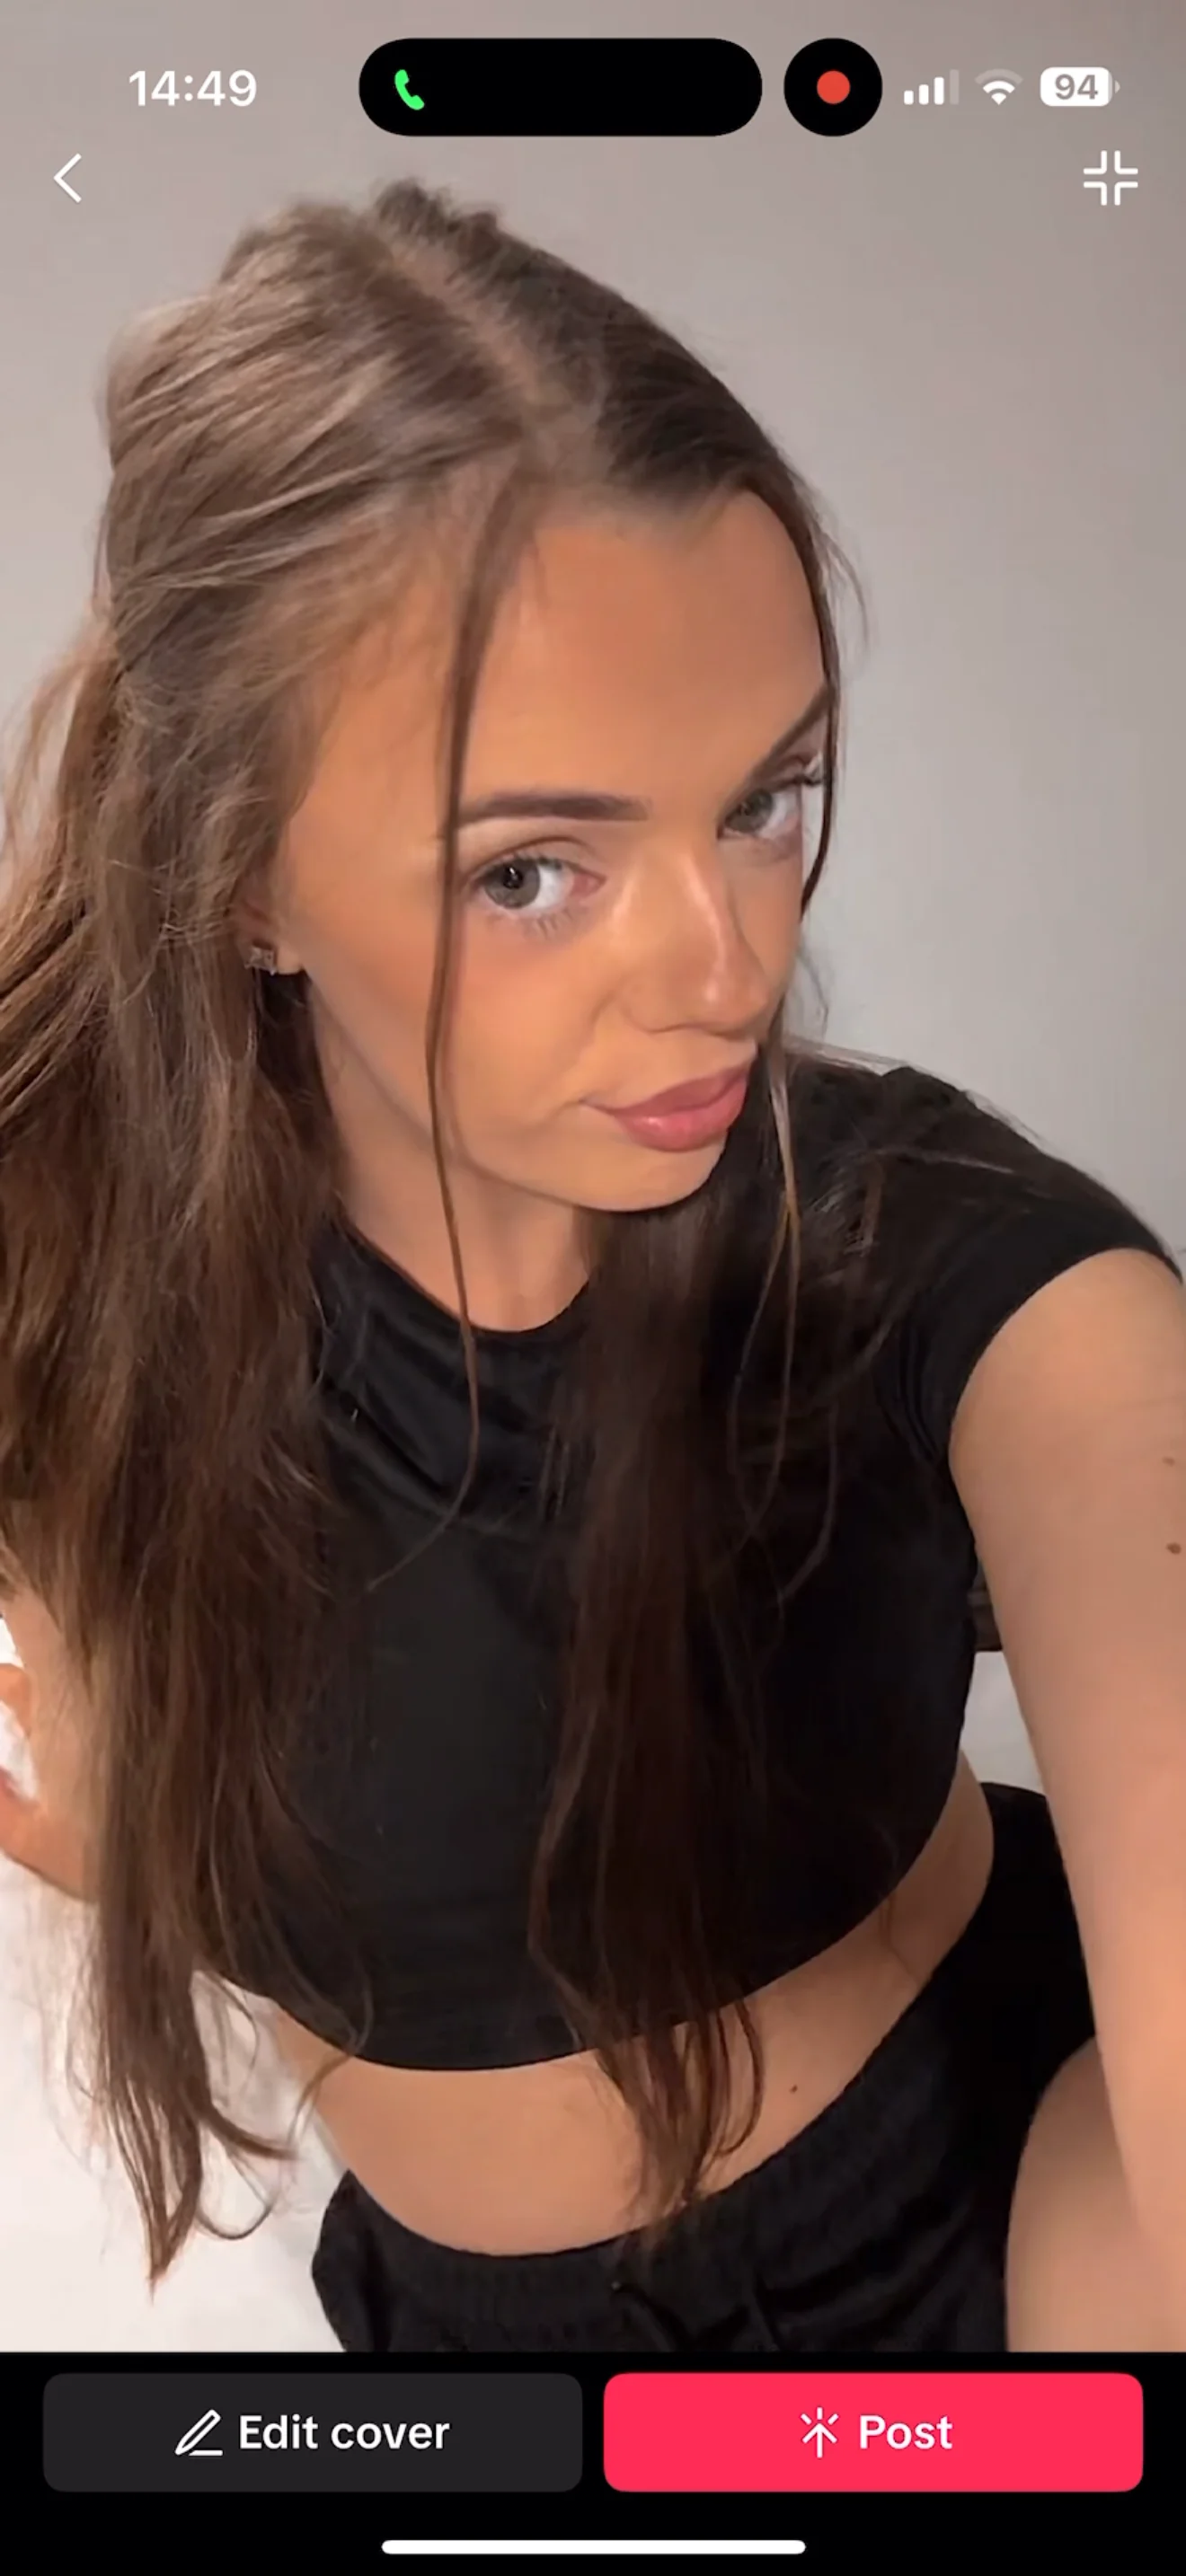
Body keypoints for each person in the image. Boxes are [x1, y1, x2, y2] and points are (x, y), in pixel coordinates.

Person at [1, 179, 1183, 2357]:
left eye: (764, 799)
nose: (725, 969)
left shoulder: (987, 1291)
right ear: (237, 880)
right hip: (449, 2342)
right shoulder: (70, 1255)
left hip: (1007, 2265)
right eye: (535, 870)